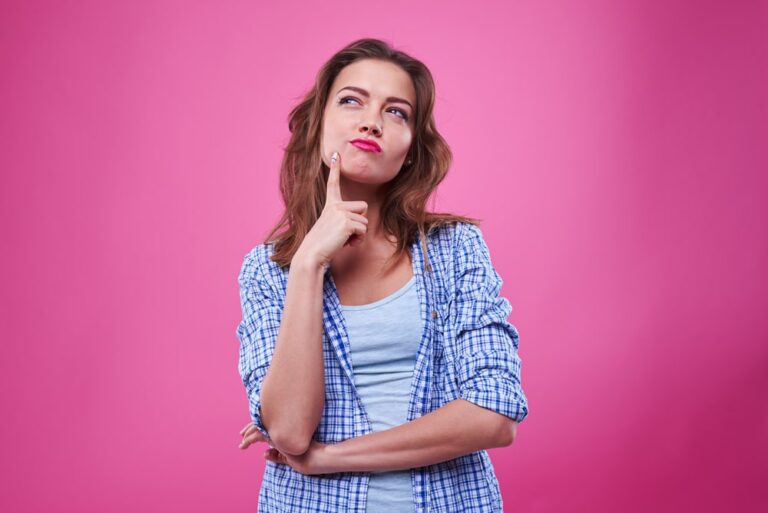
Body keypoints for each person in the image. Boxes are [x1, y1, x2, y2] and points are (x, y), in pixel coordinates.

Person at [236, 38, 529, 513]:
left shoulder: (455, 250)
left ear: (411, 149)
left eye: (397, 112)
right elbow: (289, 430)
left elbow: (495, 414)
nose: (372, 120)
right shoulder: (269, 270)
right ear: (317, 125)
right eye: (351, 100)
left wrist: (329, 458)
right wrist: (309, 263)